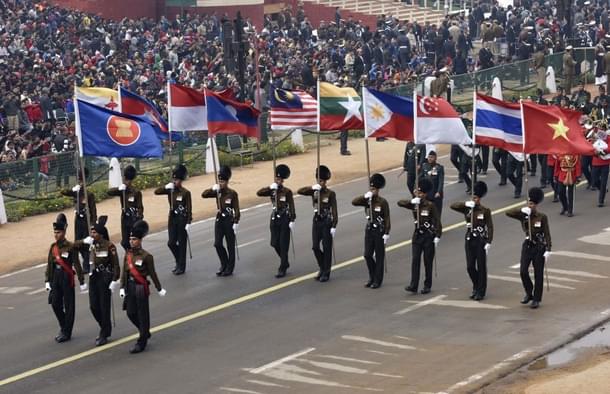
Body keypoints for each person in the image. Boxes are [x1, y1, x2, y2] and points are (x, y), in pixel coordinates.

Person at [119, 220, 166, 354]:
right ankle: (144, 331)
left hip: (140, 287)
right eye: (130, 239)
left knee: (143, 314)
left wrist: (159, 288)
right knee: (130, 312)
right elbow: (124, 272)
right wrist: (122, 287)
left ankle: (142, 341)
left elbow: (153, 273)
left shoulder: (147, 256)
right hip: (130, 286)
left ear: (140, 240)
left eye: (134, 239)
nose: (131, 241)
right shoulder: (128, 255)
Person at [74, 216, 120, 346]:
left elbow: (116, 265)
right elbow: (73, 246)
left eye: (94, 233)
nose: (92, 235)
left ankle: (104, 333)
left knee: (104, 307)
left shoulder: (109, 246)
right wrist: (84, 241)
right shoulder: (91, 244)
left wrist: (115, 280)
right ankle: (105, 326)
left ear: (100, 234)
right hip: (94, 277)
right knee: (93, 306)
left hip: (105, 278)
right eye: (91, 233)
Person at [506, 187, 551, 309]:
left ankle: (536, 299)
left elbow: (547, 233)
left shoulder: (542, 217)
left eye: (531, 204)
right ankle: (529, 292)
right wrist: (522, 210)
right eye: (528, 204)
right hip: (527, 246)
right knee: (523, 271)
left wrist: (548, 249)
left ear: (536, 205)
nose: (529, 206)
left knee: (538, 274)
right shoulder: (523, 215)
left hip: (539, 247)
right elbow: (508, 213)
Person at [45, 213, 86, 343]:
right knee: (55, 303)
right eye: (54, 232)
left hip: (66, 277)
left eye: (58, 232)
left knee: (69, 306)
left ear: (63, 232)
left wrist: (81, 280)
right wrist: (47, 280)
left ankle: (67, 332)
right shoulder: (53, 247)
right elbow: (49, 265)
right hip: (56, 277)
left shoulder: (70, 246)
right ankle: (64, 326)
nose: (55, 235)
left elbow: (77, 264)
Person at [450, 181, 493, 301]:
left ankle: (481, 291)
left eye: (475, 198)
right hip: (469, 239)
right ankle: (476, 285)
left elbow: (490, 226)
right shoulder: (467, 209)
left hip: (480, 240)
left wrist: (489, 241)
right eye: (472, 197)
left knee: (481, 266)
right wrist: (466, 204)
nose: (473, 199)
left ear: (479, 198)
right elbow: (453, 206)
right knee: (470, 266)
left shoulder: (485, 210)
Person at [399, 178, 442, 295]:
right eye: (417, 193)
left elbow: (437, 221)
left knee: (427, 262)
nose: (419, 195)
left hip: (428, 236)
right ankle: (414, 285)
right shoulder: (414, 204)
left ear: (425, 194)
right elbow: (400, 203)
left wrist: (438, 235)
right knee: (415, 260)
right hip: (417, 236)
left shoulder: (430, 205)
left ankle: (427, 285)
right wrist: (412, 201)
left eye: (421, 193)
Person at [297, 165, 338, 282]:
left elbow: (334, 210)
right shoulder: (314, 191)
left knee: (326, 247)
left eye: (323, 181)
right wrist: (312, 188)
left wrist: (334, 225)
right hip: (316, 221)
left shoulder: (330, 193)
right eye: (320, 181)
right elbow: (300, 191)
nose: (322, 183)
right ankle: (322, 267)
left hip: (326, 222)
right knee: (315, 247)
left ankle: (326, 272)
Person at [352, 173, 390, 289]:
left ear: (378, 190)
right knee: (367, 254)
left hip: (379, 231)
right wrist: (365, 196)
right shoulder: (367, 200)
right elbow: (354, 202)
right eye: (371, 189)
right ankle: (372, 276)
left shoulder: (382, 202)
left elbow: (387, 218)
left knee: (379, 256)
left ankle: (377, 280)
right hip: (369, 230)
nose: (372, 191)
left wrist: (387, 233)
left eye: (374, 189)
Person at [256, 164, 296, 278]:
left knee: (283, 244)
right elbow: (259, 193)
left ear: (282, 180)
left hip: (284, 218)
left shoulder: (287, 191)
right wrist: (270, 187)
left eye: (279, 179)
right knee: (274, 243)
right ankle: (285, 261)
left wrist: (292, 218)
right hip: (274, 218)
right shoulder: (272, 190)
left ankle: (282, 267)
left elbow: (291, 205)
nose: (277, 181)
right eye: (276, 179)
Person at [201, 165, 240, 276]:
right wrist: (212, 189)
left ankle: (230, 268)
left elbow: (236, 209)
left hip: (229, 221)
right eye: (219, 181)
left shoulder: (232, 194)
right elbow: (204, 195)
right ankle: (224, 263)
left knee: (230, 246)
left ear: (227, 182)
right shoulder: (217, 192)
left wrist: (236, 221)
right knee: (217, 244)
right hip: (219, 220)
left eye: (222, 181)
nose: (220, 183)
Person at [154, 164, 192, 275]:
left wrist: (189, 222)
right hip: (172, 219)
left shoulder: (185, 193)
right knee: (171, 243)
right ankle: (178, 260)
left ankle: (181, 266)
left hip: (182, 220)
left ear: (181, 180)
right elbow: (156, 192)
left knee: (182, 243)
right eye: (174, 179)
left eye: (177, 180)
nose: (175, 182)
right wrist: (165, 187)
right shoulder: (170, 190)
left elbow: (189, 209)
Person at [60, 168, 97, 273]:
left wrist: (93, 224)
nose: (80, 182)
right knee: (77, 242)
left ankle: (86, 265)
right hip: (78, 220)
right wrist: (73, 190)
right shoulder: (75, 192)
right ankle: (83, 263)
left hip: (86, 220)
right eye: (79, 180)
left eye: (81, 180)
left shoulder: (89, 194)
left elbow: (93, 210)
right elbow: (63, 192)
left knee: (86, 243)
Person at [107, 165, 143, 251]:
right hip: (125, 219)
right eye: (125, 180)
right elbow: (109, 192)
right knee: (124, 242)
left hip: (133, 219)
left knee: (134, 241)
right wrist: (119, 188)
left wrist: (139, 219)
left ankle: (138, 257)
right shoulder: (122, 191)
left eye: (127, 180)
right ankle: (130, 255)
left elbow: (140, 207)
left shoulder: (136, 192)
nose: (126, 182)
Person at [419, 150, 445, 216]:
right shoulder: (424, 166)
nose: (430, 159)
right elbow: (419, 179)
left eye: (432, 157)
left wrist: (439, 192)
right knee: (427, 213)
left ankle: (438, 225)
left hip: (436, 194)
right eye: (429, 157)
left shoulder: (439, 168)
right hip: (427, 195)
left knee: (437, 213)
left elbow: (441, 181)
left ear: (435, 158)